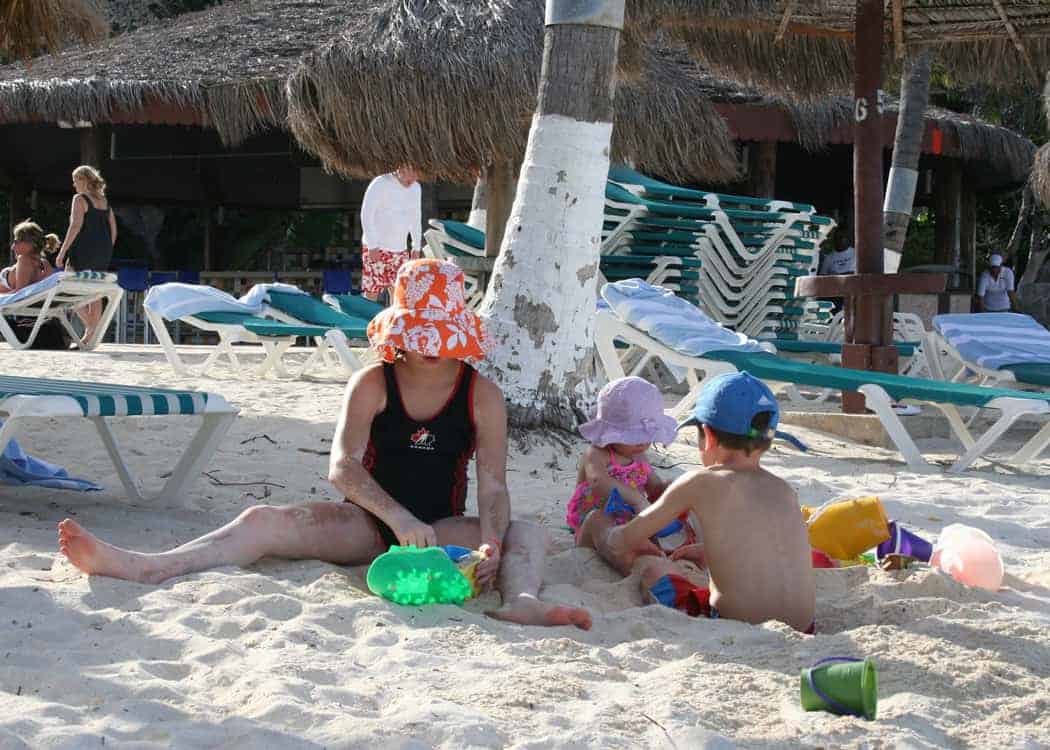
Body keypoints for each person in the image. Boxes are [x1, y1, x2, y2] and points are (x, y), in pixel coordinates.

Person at [57, 258, 591, 630]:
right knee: (263, 519)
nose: (432, 348)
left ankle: (521, 600)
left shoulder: (483, 395)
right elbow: (342, 468)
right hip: (364, 525)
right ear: (400, 331)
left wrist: (490, 543)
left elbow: (493, 485)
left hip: (442, 532)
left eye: (442, 335)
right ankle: (151, 566)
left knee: (526, 534)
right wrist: (398, 519)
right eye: (421, 334)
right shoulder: (373, 381)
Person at [582, 372, 816, 633]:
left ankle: (590, 534)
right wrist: (711, 550)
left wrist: (609, 535)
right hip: (806, 627)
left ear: (708, 435)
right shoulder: (783, 489)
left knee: (649, 567)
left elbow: (625, 541)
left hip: (734, 625)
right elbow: (767, 543)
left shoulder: (699, 482)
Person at [567, 377, 675, 537]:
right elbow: (598, 481)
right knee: (601, 526)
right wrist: (635, 499)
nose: (642, 443)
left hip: (627, 516)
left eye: (646, 437)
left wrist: (669, 489)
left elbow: (653, 486)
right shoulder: (597, 453)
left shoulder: (640, 456)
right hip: (594, 517)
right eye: (635, 437)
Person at [55, 165, 117, 345]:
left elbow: (75, 226)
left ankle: (92, 326)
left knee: (68, 288)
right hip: (103, 251)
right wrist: (106, 249)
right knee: (95, 291)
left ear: (83, 180)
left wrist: (62, 252)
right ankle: (90, 336)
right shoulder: (104, 201)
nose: (74, 185)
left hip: (82, 249)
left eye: (75, 181)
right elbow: (113, 230)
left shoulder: (79, 199)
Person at [360, 166, 423, 303]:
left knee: (399, 292)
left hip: (400, 249)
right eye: (411, 175)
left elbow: (415, 217)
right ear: (402, 168)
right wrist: (372, 245)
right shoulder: (381, 183)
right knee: (372, 291)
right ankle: (367, 322)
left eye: (416, 176)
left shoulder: (416, 188)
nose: (413, 180)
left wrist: (416, 246)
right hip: (376, 247)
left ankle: (394, 323)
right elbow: (366, 214)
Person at [0, 221, 57, 294]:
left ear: (29, 243)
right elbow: (49, 290)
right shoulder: (45, 264)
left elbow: (19, 293)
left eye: (16, 242)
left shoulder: (24, 260)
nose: (12, 247)